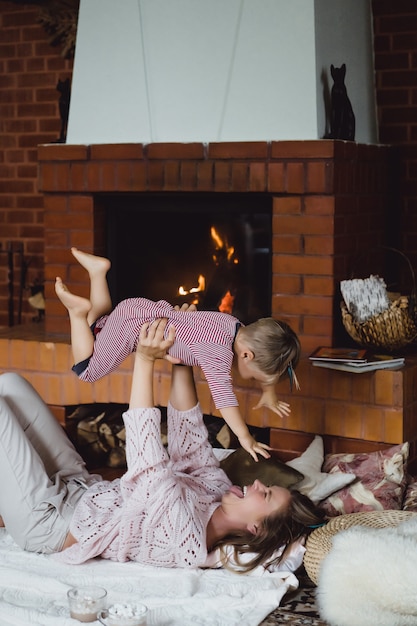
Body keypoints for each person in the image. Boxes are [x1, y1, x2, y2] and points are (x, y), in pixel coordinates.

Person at [0, 319, 325, 573]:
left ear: (255, 529)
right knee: (10, 384)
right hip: (82, 488)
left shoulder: (187, 540)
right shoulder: (217, 491)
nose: (256, 484)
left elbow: (147, 463)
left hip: (47, 522)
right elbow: (190, 436)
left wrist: (144, 359)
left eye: (265, 495)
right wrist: (185, 348)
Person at [55, 247, 302, 461]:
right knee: (87, 369)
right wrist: (245, 437)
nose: (251, 380)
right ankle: (76, 312)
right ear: (246, 355)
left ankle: (98, 273)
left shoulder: (231, 323)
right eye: (256, 378)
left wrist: (269, 392)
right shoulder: (219, 352)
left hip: (139, 309)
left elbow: (270, 352)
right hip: (134, 328)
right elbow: (225, 400)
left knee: (97, 325)